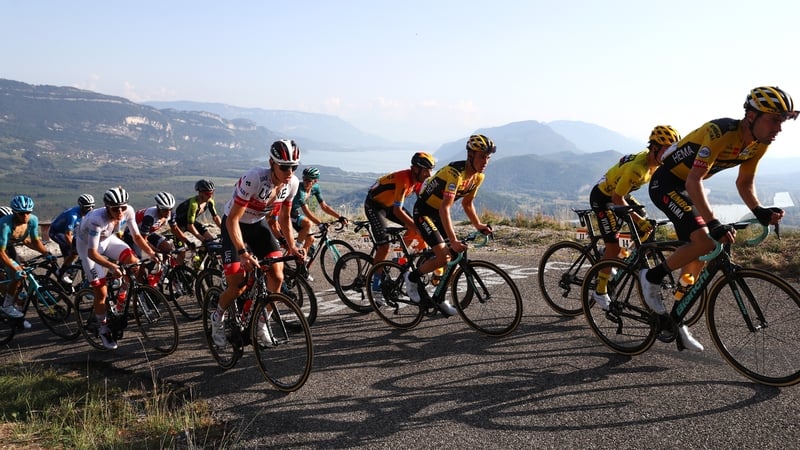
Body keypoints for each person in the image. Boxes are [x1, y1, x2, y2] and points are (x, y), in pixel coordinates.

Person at [642, 86, 797, 353]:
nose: (778, 128)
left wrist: (759, 209)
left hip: (688, 187)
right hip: (667, 184)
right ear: (751, 115)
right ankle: (651, 277)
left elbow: (745, 182)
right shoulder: (720, 133)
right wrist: (713, 222)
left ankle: (676, 318)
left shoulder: (759, 145)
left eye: (781, 121)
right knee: (704, 239)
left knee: (706, 253)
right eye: (773, 120)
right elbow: (694, 180)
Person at [209, 139, 303, 348]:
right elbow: (233, 219)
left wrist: (293, 246)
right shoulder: (254, 178)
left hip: (258, 226)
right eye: (285, 167)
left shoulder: (292, 184)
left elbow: (285, 219)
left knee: (277, 276)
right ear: (272, 163)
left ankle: (261, 324)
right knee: (237, 285)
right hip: (234, 225)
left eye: (294, 167)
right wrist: (242, 252)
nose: (290, 172)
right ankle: (217, 318)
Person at [589, 125, 681, 309]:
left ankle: (617, 258)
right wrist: (639, 221)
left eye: (671, 150)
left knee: (645, 223)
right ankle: (600, 291)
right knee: (614, 245)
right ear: (654, 148)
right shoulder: (638, 169)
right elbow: (616, 198)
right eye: (664, 149)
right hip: (604, 198)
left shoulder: (654, 164)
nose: (668, 154)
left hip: (620, 193)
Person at [406, 136, 494, 316]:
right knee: (444, 255)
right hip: (424, 212)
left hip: (438, 214)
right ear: (470, 154)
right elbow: (446, 207)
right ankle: (412, 278)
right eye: (481, 157)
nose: (485, 162)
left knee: (453, 257)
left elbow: (467, 204)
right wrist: (453, 240)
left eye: (487, 157)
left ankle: (440, 298)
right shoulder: (455, 173)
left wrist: (478, 225)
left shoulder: (478, 177)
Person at [75, 186, 158, 350]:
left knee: (134, 262)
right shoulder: (96, 219)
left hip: (106, 241)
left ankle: (122, 297)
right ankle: (103, 328)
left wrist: (151, 252)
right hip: (87, 248)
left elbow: (137, 236)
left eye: (123, 207)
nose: (120, 211)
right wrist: (112, 266)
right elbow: (92, 253)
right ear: (107, 207)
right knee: (101, 291)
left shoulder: (128, 211)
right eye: (115, 208)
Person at [364, 152, 435, 294]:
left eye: (431, 170)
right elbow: (397, 211)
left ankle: (400, 263)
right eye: (426, 170)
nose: (429, 174)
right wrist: (418, 227)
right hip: (375, 206)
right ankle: (375, 285)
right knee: (384, 247)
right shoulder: (403, 179)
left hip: (390, 205)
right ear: (416, 169)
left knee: (416, 228)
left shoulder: (418, 180)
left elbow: (423, 204)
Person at [0, 195, 55, 327]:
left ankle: (17, 315)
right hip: (1, 250)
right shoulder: (5, 225)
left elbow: (35, 241)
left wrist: (46, 253)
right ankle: (6, 306)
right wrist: (15, 268)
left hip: (8, 248)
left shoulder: (33, 220)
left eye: (28, 212)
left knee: (20, 279)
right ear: (14, 213)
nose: (25, 216)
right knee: (15, 274)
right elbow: (1, 252)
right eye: (21, 213)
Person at [290, 167, 348, 280]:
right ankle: (296, 251)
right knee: (307, 224)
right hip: (287, 214)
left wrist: (339, 217)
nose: (305, 182)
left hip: (295, 213)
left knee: (311, 239)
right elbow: (307, 212)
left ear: (315, 181)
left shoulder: (315, 188)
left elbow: (324, 206)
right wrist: (320, 224)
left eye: (309, 180)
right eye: (304, 179)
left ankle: (301, 264)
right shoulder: (300, 190)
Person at [123, 191, 194, 258]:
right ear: (158, 208)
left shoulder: (170, 215)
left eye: (170, 209)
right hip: (132, 235)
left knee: (168, 249)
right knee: (140, 261)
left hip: (148, 234)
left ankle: (163, 269)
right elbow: (143, 239)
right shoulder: (149, 217)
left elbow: (175, 230)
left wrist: (188, 242)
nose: (168, 212)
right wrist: (155, 251)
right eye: (165, 210)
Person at [49, 194, 95, 283]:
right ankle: (61, 272)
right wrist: (76, 248)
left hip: (67, 232)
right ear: (81, 206)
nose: (90, 209)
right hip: (56, 232)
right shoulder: (73, 215)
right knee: (74, 252)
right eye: (87, 207)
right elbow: (67, 235)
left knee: (75, 251)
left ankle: (68, 269)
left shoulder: (86, 213)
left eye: (92, 207)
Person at [175, 179, 222, 243]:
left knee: (211, 241)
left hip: (191, 222)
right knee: (181, 251)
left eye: (212, 193)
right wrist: (202, 239)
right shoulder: (193, 205)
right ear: (200, 193)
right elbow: (190, 226)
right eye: (207, 193)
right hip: (179, 226)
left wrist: (225, 231)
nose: (210, 196)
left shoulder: (210, 202)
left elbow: (215, 217)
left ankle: (201, 252)